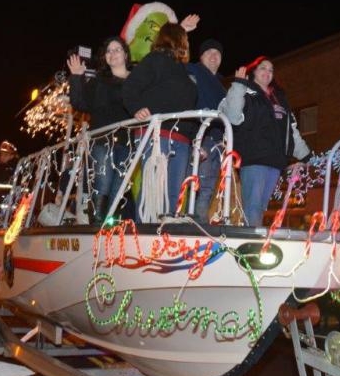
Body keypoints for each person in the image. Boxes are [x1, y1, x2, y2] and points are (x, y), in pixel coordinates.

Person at [219, 56, 311, 226]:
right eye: (263, 68)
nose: (267, 72)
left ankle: (255, 241)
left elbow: (290, 131)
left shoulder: (279, 98)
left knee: (261, 207)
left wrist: (306, 155)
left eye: (271, 70)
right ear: (253, 71)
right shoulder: (246, 92)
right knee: (253, 206)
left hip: (275, 161)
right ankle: (252, 245)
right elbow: (232, 116)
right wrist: (239, 84)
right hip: (254, 159)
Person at [122, 21, 198, 222]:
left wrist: (194, 141)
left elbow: (187, 110)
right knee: (152, 194)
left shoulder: (183, 70)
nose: (188, 43)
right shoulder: (155, 60)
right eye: (186, 39)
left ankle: (163, 240)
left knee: (172, 196)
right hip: (158, 135)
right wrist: (137, 108)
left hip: (181, 139)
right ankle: (142, 240)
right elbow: (130, 87)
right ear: (177, 39)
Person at [67, 36, 133, 223]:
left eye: (117, 49)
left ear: (126, 54)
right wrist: (77, 77)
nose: (113, 54)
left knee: (120, 187)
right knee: (102, 183)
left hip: (127, 141)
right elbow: (80, 103)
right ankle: (97, 226)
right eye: (109, 51)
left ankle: (111, 226)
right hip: (102, 140)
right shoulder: (99, 81)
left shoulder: (136, 80)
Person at [186, 39, 227, 223]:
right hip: (200, 137)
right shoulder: (193, 71)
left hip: (217, 142)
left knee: (209, 188)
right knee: (196, 185)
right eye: (208, 52)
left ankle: (200, 225)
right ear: (200, 57)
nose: (213, 56)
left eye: (217, 53)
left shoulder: (221, 84)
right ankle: (193, 226)